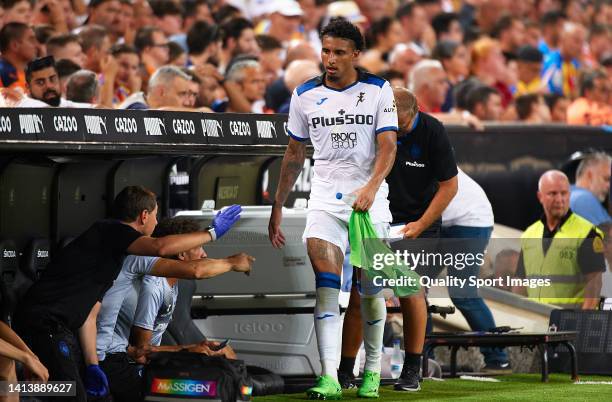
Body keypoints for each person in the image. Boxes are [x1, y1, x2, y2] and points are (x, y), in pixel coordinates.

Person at [268, 18, 398, 400]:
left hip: (368, 202)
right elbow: (294, 154)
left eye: (339, 52)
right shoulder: (304, 95)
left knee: (370, 290)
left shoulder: (378, 90)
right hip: (325, 200)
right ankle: (329, 378)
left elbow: (388, 146)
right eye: (325, 50)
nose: (330, 59)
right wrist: (277, 204)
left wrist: (372, 187)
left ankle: (370, 371)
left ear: (356, 54)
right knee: (326, 287)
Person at [14, 186, 241, 401]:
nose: (156, 222)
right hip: (44, 322)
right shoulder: (110, 230)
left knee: (72, 392)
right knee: (67, 394)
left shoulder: (109, 259)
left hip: (66, 330)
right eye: (155, 216)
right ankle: (14, 389)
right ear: (144, 216)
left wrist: (93, 364)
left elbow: (90, 314)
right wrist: (212, 233)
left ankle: (16, 388)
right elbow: (161, 247)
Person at [339, 88, 457, 393]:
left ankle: (412, 370)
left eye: (401, 126)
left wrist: (421, 224)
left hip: (418, 222)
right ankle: (345, 370)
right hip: (378, 220)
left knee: (411, 290)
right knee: (359, 295)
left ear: (416, 111)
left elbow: (449, 186)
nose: (395, 129)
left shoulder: (432, 132)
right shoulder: (373, 126)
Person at [97, 217, 253, 402]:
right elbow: (141, 352)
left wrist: (195, 348)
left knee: (225, 352)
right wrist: (189, 350)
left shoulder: (171, 283)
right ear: (181, 255)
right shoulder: (153, 286)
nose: (204, 254)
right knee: (209, 382)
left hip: (153, 362)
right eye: (198, 247)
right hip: (135, 367)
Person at [439, 168, 510, 371]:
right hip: (442, 220)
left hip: (470, 219)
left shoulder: (416, 147)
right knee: (414, 289)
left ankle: (498, 358)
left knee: (463, 293)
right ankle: (423, 359)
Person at [515, 171, 605, 309]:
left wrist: (581, 323)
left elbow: (594, 283)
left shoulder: (587, 233)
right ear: (540, 196)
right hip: (535, 322)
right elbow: (520, 282)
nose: (559, 199)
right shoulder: (529, 234)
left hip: (568, 324)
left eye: (564, 193)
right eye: (553, 193)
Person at [570, 152, 612, 226]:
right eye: (606, 179)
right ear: (589, 175)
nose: (608, 185)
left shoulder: (570, 193)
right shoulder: (583, 198)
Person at [0, 22, 37, 90]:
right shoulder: (3, 74)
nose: (36, 45)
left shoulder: (31, 74)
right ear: (15, 45)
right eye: (31, 40)